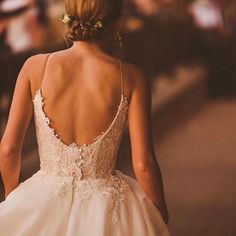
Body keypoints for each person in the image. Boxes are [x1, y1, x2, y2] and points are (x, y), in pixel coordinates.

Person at [0, 0, 170, 235]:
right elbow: (144, 163)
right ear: (116, 22)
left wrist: (14, 198)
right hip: (108, 210)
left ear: (69, 17)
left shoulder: (35, 67)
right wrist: (159, 211)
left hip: (41, 200)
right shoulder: (132, 78)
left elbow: (8, 149)